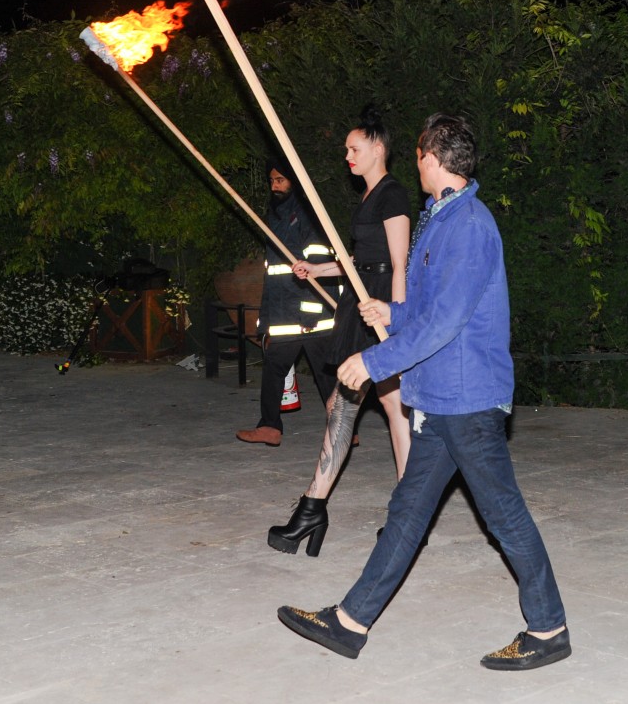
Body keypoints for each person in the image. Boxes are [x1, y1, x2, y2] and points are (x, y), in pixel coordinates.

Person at [277, 113, 571, 671]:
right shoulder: (445, 219)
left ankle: (548, 628)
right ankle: (349, 622)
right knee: (409, 511)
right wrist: (393, 311)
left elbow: (447, 325)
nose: (417, 165)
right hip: (440, 398)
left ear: (432, 159)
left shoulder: (470, 226)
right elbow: (431, 313)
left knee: (504, 517)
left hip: (467, 399)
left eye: (418, 156)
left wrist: (375, 358)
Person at [267, 107, 412, 557]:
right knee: (354, 402)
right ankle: (319, 507)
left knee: (387, 406)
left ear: (378, 148)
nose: (347, 155)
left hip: (377, 307)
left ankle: (391, 515)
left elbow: (398, 264)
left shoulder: (393, 196)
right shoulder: (369, 197)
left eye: (354, 148)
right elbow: (358, 262)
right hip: (359, 301)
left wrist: (396, 316)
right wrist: (319, 269)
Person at [236, 158, 337, 446]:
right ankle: (270, 426)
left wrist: (310, 314)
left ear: (294, 181)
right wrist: (268, 316)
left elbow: (318, 265)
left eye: (280, 179)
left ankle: (344, 427)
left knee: (325, 374)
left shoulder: (307, 214)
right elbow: (276, 272)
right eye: (272, 180)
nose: (275, 185)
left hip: (309, 316)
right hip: (283, 312)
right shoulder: (277, 214)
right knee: (275, 369)